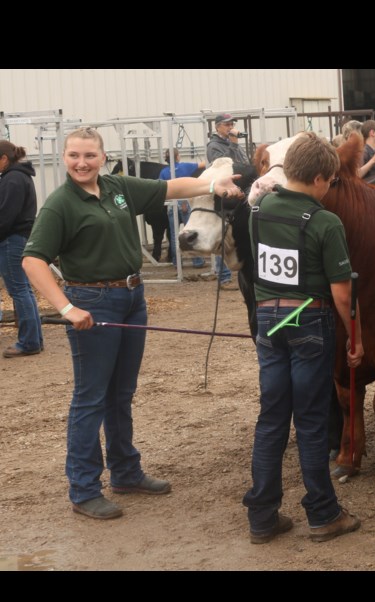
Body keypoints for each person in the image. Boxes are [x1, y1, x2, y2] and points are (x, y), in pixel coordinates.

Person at [22, 126, 243, 520]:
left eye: (89, 155)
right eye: (74, 155)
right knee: (90, 398)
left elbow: (173, 188)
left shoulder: (116, 188)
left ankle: (125, 471)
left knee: (121, 393)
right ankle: (84, 487)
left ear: (103, 157)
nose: (82, 162)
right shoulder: (60, 205)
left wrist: (213, 180)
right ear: (64, 158)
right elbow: (33, 259)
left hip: (131, 298)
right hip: (93, 302)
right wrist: (65, 307)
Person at [242, 132, 364, 544]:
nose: (329, 189)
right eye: (329, 181)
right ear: (317, 178)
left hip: (268, 324)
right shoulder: (325, 221)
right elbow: (342, 292)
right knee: (311, 421)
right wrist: (355, 338)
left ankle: (261, 515)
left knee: (271, 418)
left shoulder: (257, 212)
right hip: (310, 324)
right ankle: (323, 513)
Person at [0, 141, 43, 358]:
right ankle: (34, 338)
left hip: (11, 240)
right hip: (20, 238)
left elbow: (5, 216)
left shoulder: (12, 179)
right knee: (24, 289)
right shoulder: (19, 176)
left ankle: (28, 342)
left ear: (4, 159)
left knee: (18, 290)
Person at [205, 114, 243, 289]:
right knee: (222, 232)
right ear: (218, 127)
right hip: (222, 194)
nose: (230, 127)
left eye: (231, 124)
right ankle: (223, 278)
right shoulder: (213, 146)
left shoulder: (229, 142)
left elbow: (241, 162)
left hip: (235, 191)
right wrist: (233, 144)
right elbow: (225, 166)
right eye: (227, 124)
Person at [159, 149, 206, 267]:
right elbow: (204, 164)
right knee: (191, 233)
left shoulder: (164, 172)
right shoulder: (185, 167)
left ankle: (177, 262)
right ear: (177, 157)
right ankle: (197, 261)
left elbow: (159, 187)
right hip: (185, 202)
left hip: (171, 205)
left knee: (174, 235)